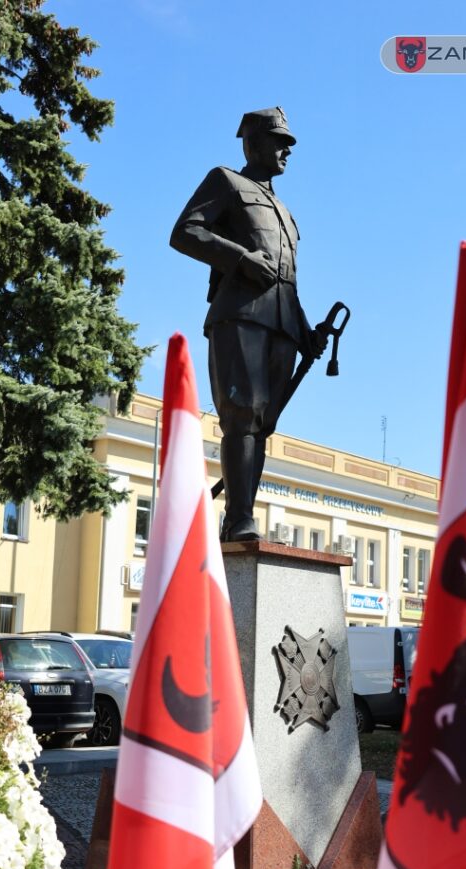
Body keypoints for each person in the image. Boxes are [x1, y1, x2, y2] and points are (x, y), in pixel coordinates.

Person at [170, 106, 326, 542]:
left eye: (289, 144)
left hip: (282, 328)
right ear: (252, 143)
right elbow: (184, 231)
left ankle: (241, 513)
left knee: (262, 424)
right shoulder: (225, 182)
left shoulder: (287, 214)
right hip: (239, 316)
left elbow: (288, 283)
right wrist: (239, 258)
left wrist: (306, 330)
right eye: (280, 142)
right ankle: (239, 519)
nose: (287, 151)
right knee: (242, 415)